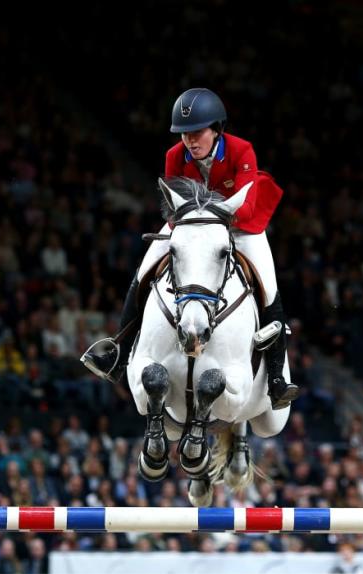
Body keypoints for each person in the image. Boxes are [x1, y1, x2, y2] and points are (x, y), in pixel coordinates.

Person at [83, 88, 298, 409]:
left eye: (197, 132)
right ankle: (119, 352)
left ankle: (278, 378)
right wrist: (194, 221)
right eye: (184, 134)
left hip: (242, 226)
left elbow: (249, 210)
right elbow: (172, 207)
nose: (190, 141)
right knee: (144, 272)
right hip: (192, 226)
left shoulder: (242, 151)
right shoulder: (174, 155)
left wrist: (209, 216)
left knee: (268, 285)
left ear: (217, 130)